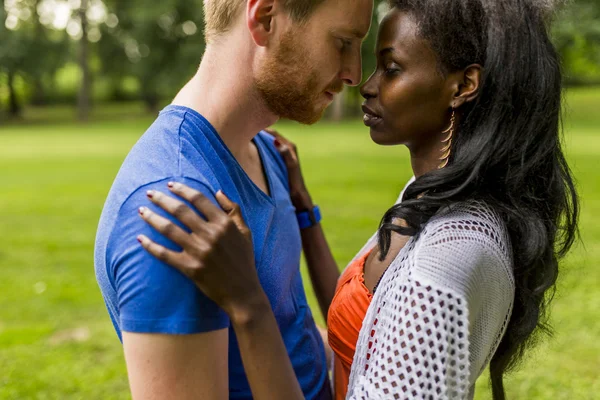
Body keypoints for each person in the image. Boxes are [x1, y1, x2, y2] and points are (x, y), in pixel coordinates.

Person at [137, 0, 580, 399]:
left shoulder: (449, 260)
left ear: (463, 85)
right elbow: (364, 324)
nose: (363, 84)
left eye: (391, 69)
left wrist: (247, 303)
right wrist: (304, 211)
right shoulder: (429, 194)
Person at [94, 0, 373, 398]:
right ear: (264, 19)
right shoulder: (174, 212)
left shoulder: (267, 151)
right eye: (343, 41)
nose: (354, 74)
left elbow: (293, 326)